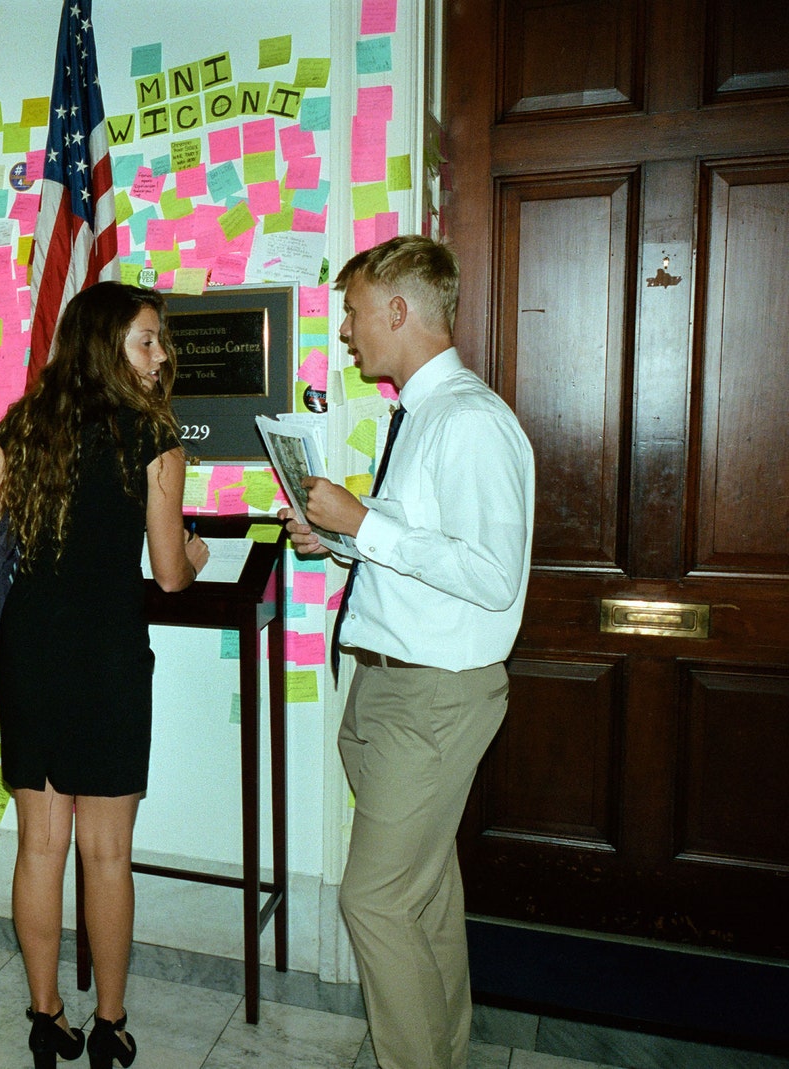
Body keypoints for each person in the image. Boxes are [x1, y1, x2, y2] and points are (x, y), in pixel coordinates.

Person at [280, 235, 534, 1069]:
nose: (348, 332)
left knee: (375, 901)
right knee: (422, 897)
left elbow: (493, 577)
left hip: (433, 697)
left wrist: (362, 523)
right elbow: (430, 553)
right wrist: (341, 543)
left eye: (354, 312)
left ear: (397, 309)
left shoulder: (469, 420)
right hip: (392, 691)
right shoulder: (422, 414)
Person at [0, 281, 209, 1069]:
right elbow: (169, 575)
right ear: (106, 344)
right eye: (146, 340)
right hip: (105, 660)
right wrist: (197, 552)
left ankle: (45, 1018)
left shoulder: (25, 422)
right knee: (106, 855)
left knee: (40, 847)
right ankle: (108, 1025)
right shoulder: (153, 438)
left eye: (159, 342)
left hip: (30, 656)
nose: (160, 355)